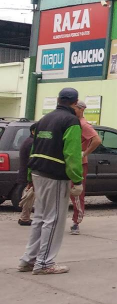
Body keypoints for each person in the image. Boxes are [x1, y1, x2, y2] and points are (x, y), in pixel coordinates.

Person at [17, 88, 83, 275]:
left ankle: (28, 260)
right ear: (75, 102)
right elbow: (72, 154)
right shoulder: (71, 121)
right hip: (55, 176)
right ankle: (44, 263)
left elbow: (34, 148)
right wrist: (77, 179)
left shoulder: (44, 120)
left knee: (39, 218)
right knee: (53, 220)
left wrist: (30, 176)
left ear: (58, 100)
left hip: (38, 172)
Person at [70, 99, 100, 235]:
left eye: (74, 108)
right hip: (68, 162)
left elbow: (97, 140)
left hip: (79, 164)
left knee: (77, 193)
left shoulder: (83, 124)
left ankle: (76, 222)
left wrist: (84, 153)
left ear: (81, 109)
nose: (72, 110)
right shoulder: (73, 122)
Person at [16, 126, 36, 226]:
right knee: (29, 196)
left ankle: (24, 217)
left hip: (25, 173)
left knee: (28, 195)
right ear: (33, 131)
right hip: (28, 174)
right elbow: (31, 161)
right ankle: (24, 218)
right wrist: (30, 178)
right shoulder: (31, 143)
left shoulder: (28, 141)